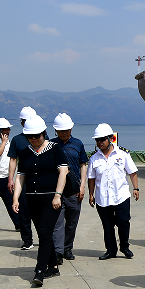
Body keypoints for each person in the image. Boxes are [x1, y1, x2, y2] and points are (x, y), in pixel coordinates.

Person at [12, 115, 68, 287]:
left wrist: (57, 195)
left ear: (44, 133)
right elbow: (20, 177)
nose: (34, 139)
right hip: (32, 199)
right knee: (44, 234)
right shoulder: (25, 152)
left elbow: (63, 172)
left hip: (51, 199)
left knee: (44, 234)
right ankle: (54, 266)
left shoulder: (55, 149)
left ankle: (39, 270)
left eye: (37, 135)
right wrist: (15, 198)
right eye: (30, 136)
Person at [88, 123, 140, 260]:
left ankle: (125, 247)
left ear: (110, 138)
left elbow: (132, 172)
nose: (99, 142)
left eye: (102, 139)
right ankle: (111, 250)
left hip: (121, 195)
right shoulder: (94, 158)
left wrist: (135, 188)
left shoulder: (122, 154)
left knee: (123, 222)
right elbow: (91, 178)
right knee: (107, 225)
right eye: (97, 140)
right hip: (103, 197)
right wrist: (91, 194)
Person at [51, 113, 89, 264]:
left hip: (74, 190)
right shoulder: (51, 144)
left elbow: (83, 165)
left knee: (72, 222)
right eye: (61, 131)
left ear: (71, 129)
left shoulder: (78, 144)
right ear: (56, 130)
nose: (64, 133)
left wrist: (82, 186)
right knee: (57, 223)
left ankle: (67, 248)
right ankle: (58, 251)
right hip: (57, 190)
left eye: (67, 130)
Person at [8, 106, 37, 250]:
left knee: (40, 211)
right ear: (21, 122)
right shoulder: (17, 140)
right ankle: (27, 240)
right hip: (23, 180)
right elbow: (13, 160)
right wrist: (10, 179)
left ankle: (45, 238)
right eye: (26, 120)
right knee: (23, 211)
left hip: (39, 179)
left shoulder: (42, 137)